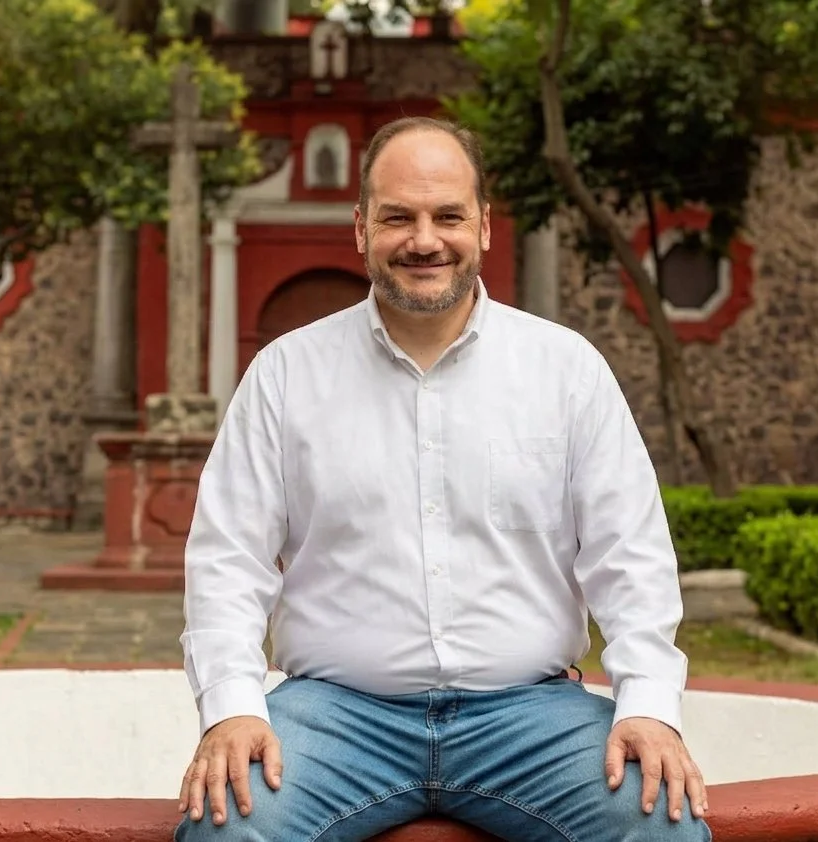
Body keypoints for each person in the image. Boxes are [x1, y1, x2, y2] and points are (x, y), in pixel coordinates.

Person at [175, 115, 711, 842]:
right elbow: (228, 558)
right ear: (360, 228)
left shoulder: (565, 370)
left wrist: (648, 703)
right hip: (336, 717)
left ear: (484, 226)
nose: (424, 240)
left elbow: (631, 553)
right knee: (226, 827)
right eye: (398, 216)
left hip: (531, 718)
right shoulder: (286, 375)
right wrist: (233, 706)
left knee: (662, 826)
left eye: (447, 216)